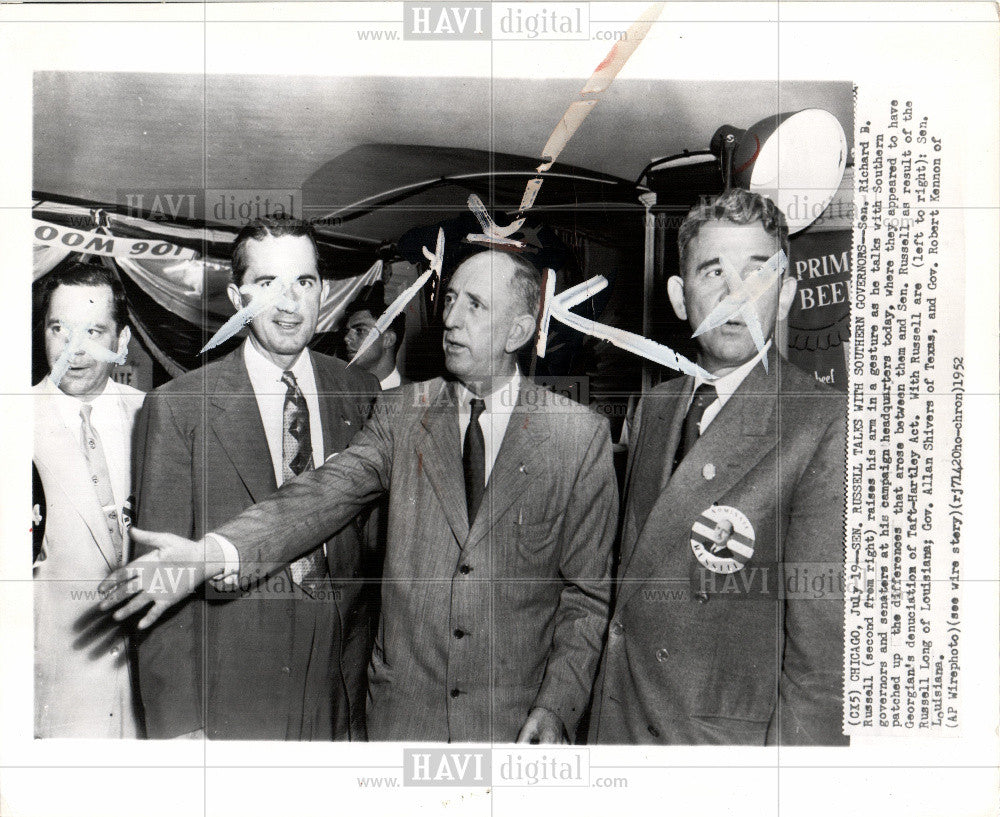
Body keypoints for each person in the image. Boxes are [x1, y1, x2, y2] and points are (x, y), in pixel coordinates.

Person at [101, 249, 617, 744]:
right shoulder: (401, 412)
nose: (450, 319)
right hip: (399, 722)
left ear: (519, 331)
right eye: (451, 298)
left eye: (474, 305)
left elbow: (586, 597)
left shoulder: (578, 437)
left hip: (514, 723)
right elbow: (324, 492)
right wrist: (210, 553)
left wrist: (557, 705)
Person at [591, 189, 848, 746]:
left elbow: (822, 666)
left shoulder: (821, 421)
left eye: (758, 273)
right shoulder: (656, 404)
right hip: (619, 724)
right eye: (713, 272)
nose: (735, 294)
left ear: (784, 298)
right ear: (680, 299)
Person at [131, 217, 379, 740]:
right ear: (236, 295)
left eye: (303, 283)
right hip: (234, 691)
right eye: (267, 285)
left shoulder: (361, 391)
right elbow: (162, 577)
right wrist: (179, 726)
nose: (289, 304)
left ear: (324, 292)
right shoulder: (178, 408)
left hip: (343, 689)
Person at [32, 262, 143, 738]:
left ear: (121, 343)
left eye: (94, 331)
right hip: (55, 689)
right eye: (60, 329)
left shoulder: (154, 416)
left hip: (145, 688)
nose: (74, 350)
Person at [341, 286, 408, 389]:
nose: (346, 338)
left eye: (360, 330)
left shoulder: (419, 395)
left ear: (388, 339)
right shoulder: (337, 393)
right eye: (347, 331)